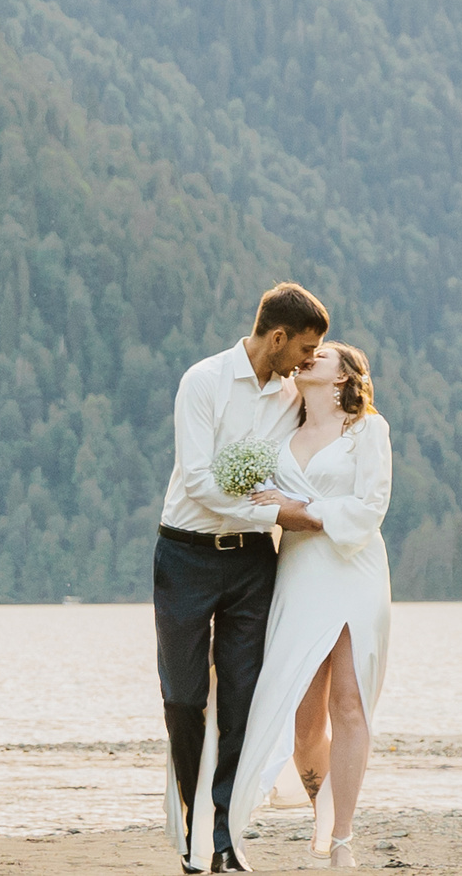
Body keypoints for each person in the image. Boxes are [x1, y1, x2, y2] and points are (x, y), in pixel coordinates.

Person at [155, 282, 328, 873]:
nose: (307, 360)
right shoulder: (202, 382)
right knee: (183, 699)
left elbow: (338, 415)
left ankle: (222, 836)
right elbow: (200, 483)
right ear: (276, 337)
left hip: (254, 563)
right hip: (184, 557)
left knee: (242, 700)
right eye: (304, 348)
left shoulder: (292, 394)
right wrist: (277, 511)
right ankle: (189, 817)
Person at [227, 341, 392, 868]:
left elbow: (370, 509)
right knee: (302, 723)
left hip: (354, 569)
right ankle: (323, 807)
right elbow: (256, 498)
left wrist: (307, 509)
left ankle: (342, 836)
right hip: (297, 573)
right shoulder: (280, 434)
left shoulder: (368, 431)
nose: (309, 357)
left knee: (349, 703)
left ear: (345, 377)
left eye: (322, 354)